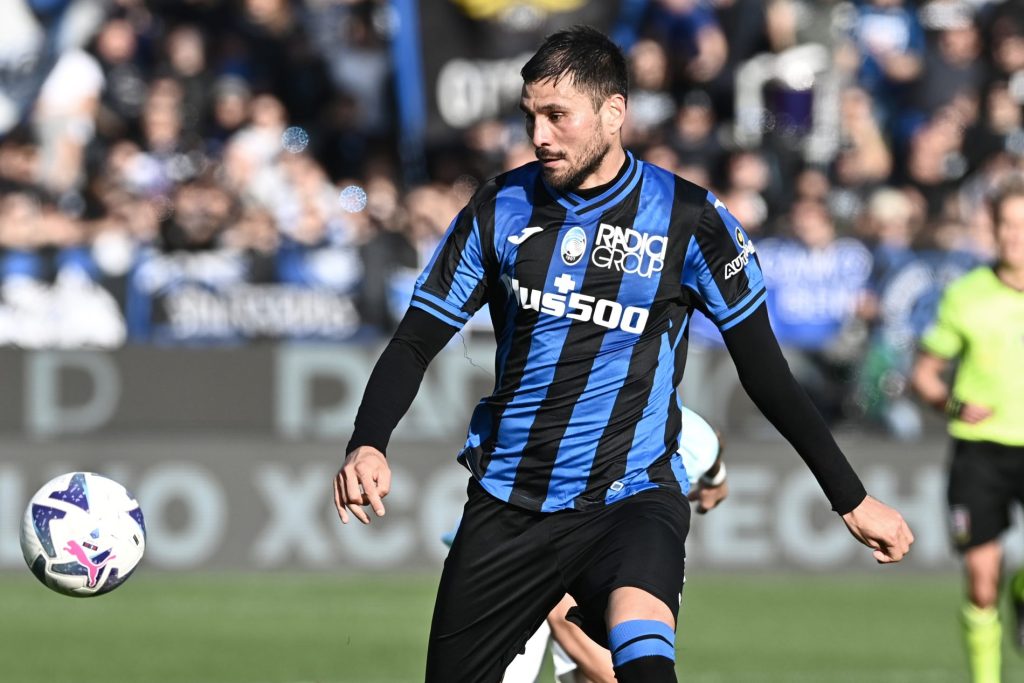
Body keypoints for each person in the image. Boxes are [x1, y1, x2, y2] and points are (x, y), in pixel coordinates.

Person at [334, 26, 913, 683]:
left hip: (630, 498)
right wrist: (368, 441)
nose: (539, 135)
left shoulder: (691, 221)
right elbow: (416, 340)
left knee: (642, 661)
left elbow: (767, 374)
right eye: (530, 116)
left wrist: (850, 498)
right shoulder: (499, 207)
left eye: (558, 116)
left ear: (614, 113)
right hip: (509, 502)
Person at [499, 406, 728, 683]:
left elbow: (710, 451)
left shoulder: (688, 439)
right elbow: (562, 617)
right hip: (513, 555)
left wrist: (716, 477)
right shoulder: (595, 492)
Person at [910, 176, 1024, 683]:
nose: (1016, 236)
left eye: (1023, 225)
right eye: (1007, 225)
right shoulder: (966, 295)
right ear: (992, 230)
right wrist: (953, 403)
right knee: (981, 582)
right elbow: (924, 375)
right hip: (980, 452)